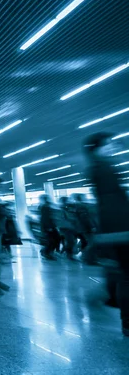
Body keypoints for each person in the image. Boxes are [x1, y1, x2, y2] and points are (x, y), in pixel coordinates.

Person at [84, 132, 129, 336]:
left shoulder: (97, 168)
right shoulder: (104, 168)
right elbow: (114, 201)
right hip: (120, 227)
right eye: (107, 145)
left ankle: (126, 321)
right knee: (126, 276)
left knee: (123, 275)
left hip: (112, 227)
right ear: (96, 148)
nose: (111, 148)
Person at [39, 194, 59, 260]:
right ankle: (46, 252)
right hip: (48, 227)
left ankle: (46, 251)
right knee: (52, 241)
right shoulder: (45, 206)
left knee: (56, 239)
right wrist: (48, 227)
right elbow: (45, 218)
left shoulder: (48, 205)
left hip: (51, 226)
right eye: (46, 198)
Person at [59, 196, 78, 261]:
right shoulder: (63, 209)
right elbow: (69, 217)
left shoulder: (67, 208)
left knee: (69, 241)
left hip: (68, 227)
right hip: (66, 227)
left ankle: (66, 252)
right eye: (66, 200)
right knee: (70, 241)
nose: (68, 201)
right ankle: (69, 255)